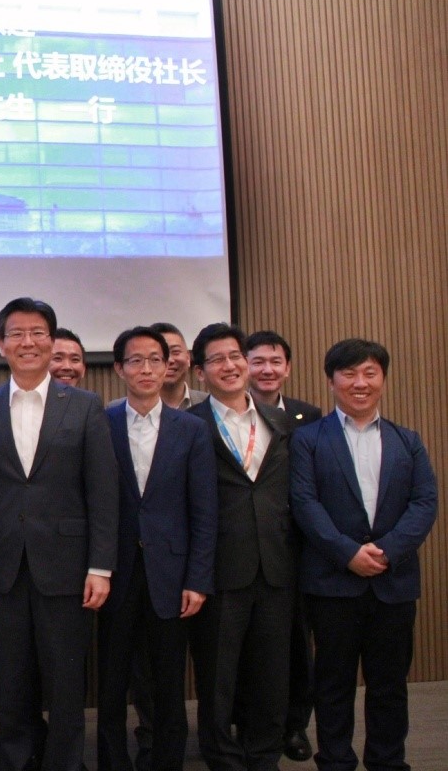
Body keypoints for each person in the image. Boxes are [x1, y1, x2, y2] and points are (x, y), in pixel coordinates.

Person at [0, 297, 118, 771]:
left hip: (68, 566)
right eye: (16, 333)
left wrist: (101, 567)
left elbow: (102, 491)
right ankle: (16, 761)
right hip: (4, 564)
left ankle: (64, 762)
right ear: (1, 345)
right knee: (12, 680)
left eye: (37, 333)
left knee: (67, 682)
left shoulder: (86, 406)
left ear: (52, 342)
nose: (27, 342)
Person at [290, 339, 437, 771]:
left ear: (383, 380)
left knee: (389, 685)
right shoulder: (308, 439)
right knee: (333, 684)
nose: (360, 383)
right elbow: (304, 503)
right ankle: (335, 761)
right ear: (331, 380)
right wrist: (348, 553)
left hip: (393, 583)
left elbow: (424, 502)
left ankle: (388, 762)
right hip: (332, 584)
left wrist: (387, 552)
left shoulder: (407, 440)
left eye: (370, 373)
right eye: (349, 373)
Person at [97, 327, 217, 771]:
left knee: (169, 682)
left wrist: (198, 579)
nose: (146, 369)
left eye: (155, 359)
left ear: (168, 366)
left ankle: (167, 761)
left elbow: (204, 511)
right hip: (116, 571)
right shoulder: (102, 423)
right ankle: (113, 761)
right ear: (119, 369)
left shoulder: (192, 429)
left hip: (172, 574)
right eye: (135, 360)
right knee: (111, 682)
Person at [186, 323, 296, 771]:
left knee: (272, 674)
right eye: (217, 359)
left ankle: (264, 755)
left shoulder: (279, 422)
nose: (229, 366)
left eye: (235, 356)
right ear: (200, 372)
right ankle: (223, 758)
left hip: (275, 567)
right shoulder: (187, 426)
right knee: (218, 678)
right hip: (218, 569)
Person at [245, 329, 322, 762]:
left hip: (296, 549)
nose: (267, 369)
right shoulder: (231, 413)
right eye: (258, 361)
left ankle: (294, 725)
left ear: (288, 368)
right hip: (247, 548)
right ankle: (250, 724)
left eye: (275, 362)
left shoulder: (308, 416)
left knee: (296, 642)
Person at [153, 322, 209, 410]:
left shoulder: (210, 404)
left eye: (175, 352)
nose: (169, 360)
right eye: (160, 354)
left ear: (188, 358)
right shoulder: (131, 408)